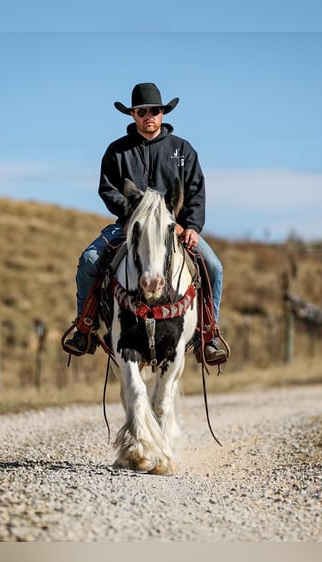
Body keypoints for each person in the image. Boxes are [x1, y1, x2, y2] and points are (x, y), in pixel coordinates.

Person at [63, 82, 227, 364]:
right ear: (133, 115)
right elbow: (107, 189)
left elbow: (196, 191)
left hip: (174, 228)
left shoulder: (182, 150)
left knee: (213, 266)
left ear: (163, 113)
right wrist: (133, 216)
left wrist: (191, 227)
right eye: (141, 111)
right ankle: (85, 326)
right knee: (90, 259)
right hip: (129, 224)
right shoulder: (117, 151)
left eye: (154, 110)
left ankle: (207, 334)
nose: (148, 116)